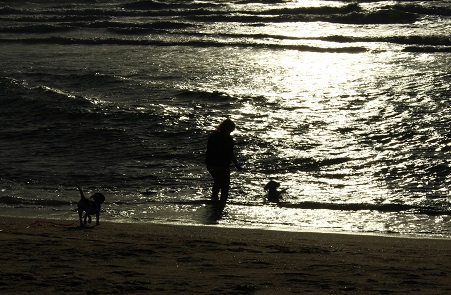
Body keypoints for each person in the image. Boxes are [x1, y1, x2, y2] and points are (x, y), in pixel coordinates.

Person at [206, 118, 242, 210]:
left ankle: (214, 202)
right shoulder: (228, 138)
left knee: (217, 182)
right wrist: (237, 165)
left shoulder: (213, 136)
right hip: (222, 165)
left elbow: (209, 150)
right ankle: (221, 206)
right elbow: (230, 154)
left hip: (211, 164)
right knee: (225, 187)